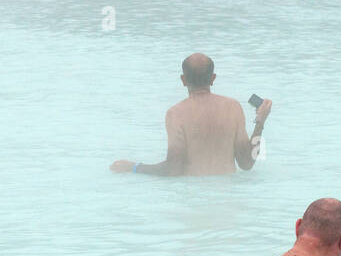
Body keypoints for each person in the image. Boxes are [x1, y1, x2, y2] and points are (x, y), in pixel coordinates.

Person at [110, 54, 272, 175]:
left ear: (183, 80)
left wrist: (134, 167)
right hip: (227, 197)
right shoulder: (233, 108)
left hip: (191, 197)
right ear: (213, 78)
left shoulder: (176, 114)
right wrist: (260, 122)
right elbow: (246, 164)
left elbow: (173, 168)